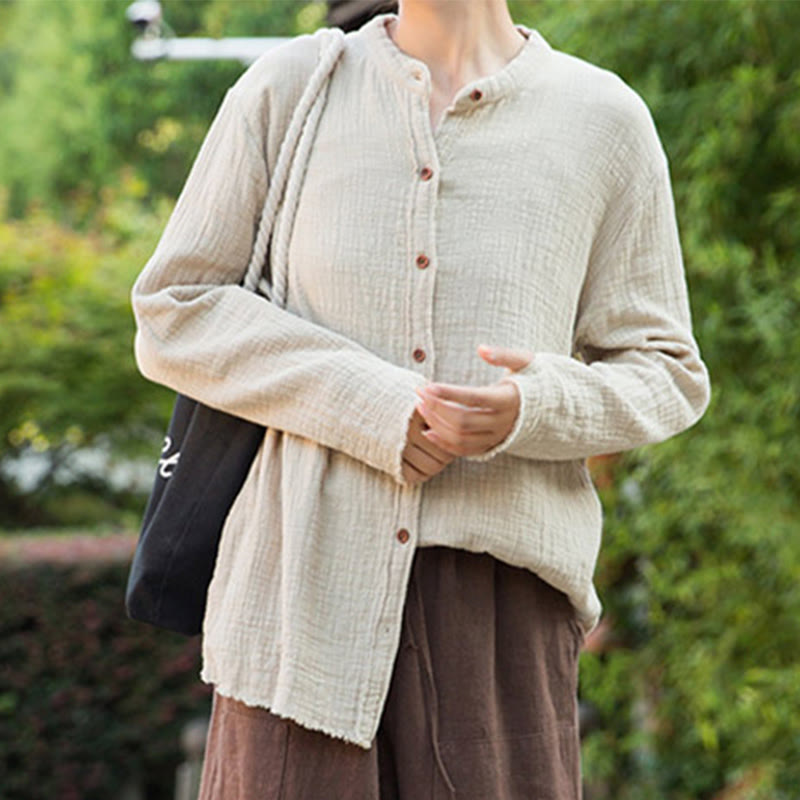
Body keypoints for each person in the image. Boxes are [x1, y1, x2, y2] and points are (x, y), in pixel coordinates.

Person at [130, 0, 711, 797]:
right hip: (296, 611)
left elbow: (667, 371)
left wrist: (531, 409)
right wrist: (373, 406)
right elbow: (176, 308)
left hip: (501, 618)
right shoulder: (289, 89)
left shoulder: (603, 120)